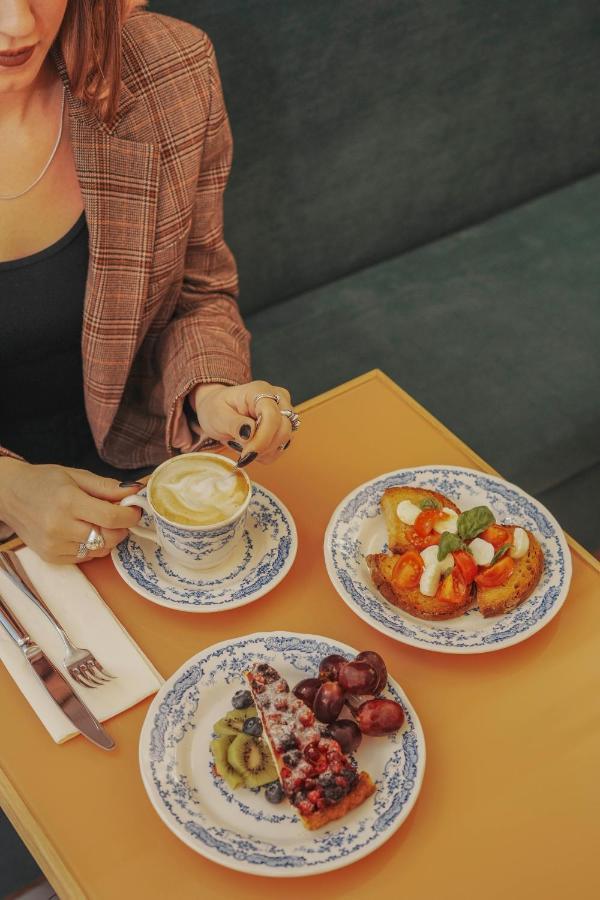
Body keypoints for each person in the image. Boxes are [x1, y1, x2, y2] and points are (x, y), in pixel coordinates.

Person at [0, 0, 298, 564]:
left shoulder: (168, 70)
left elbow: (196, 292)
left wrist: (209, 392)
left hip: (137, 473)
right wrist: (7, 487)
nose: (18, 24)